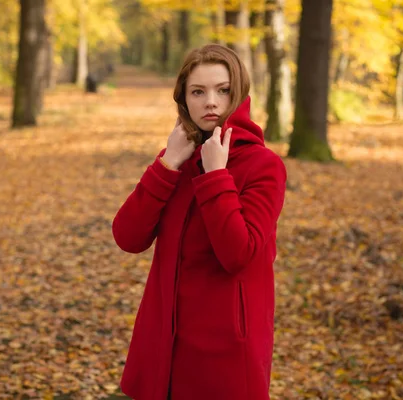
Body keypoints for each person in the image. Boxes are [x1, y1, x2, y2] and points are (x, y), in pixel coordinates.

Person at [112, 44, 287, 400]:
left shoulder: (263, 166)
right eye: (198, 91)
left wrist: (216, 174)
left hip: (225, 351)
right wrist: (166, 167)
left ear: (238, 94)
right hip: (164, 341)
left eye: (222, 90)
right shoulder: (175, 159)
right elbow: (128, 237)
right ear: (184, 99)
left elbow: (238, 254)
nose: (211, 102)